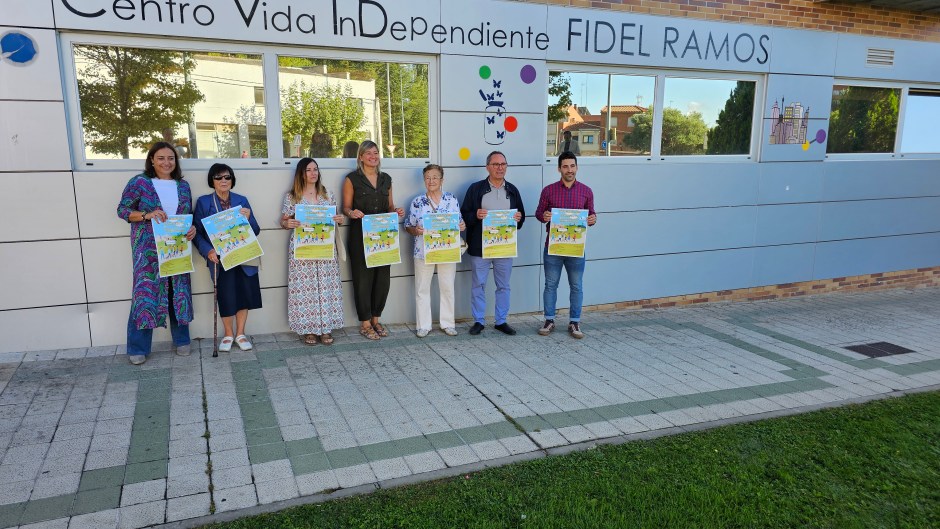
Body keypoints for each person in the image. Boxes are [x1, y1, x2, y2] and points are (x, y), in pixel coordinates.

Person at [116, 142, 196, 365]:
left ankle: (181, 340)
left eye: (171, 158)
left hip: (177, 248)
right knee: (145, 294)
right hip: (147, 250)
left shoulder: (183, 186)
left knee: (178, 292)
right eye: (161, 158)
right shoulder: (140, 182)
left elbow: (187, 215)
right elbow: (123, 210)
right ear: (152, 160)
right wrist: (146, 215)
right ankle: (138, 347)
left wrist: (193, 229)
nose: (166, 162)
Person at [194, 163, 262, 352]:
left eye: (227, 177)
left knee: (244, 293)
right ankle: (228, 333)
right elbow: (197, 233)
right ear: (212, 181)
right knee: (225, 295)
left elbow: (255, 230)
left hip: (244, 255)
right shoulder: (204, 202)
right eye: (218, 177)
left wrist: (248, 218)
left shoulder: (241, 199)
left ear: (232, 180)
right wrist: (208, 251)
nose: (223, 181)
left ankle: (240, 333)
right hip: (219, 258)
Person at [342, 141, 405, 340]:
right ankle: (365, 322)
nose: (373, 156)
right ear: (360, 157)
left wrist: (396, 212)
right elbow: (345, 207)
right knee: (363, 279)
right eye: (368, 153)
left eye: (376, 152)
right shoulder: (352, 179)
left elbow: (390, 206)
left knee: (382, 279)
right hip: (360, 235)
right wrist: (352, 212)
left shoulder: (386, 179)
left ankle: (376, 319)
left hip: (384, 235)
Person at [280, 158, 346, 345]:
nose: (313, 173)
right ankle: (309, 329)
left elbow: (335, 217)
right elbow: (283, 220)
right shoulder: (292, 196)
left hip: (325, 247)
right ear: (301, 173)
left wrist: (339, 219)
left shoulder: (327, 194)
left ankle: (325, 328)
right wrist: (288, 223)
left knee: (326, 286)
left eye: (315, 169)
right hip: (303, 248)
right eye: (308, 170)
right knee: (305, 289)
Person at [460, 151, 526, 336]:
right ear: (487, 167)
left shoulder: (512, 190)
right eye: (496, 164)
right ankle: (479, 321)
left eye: (503, 164)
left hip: (504, 247)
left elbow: (521, 217)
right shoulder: (476, 189)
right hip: (480, 247)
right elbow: (464, 214)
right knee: (478, 285)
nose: (500, 168)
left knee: (503, 285)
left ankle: (501, 321)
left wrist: (518, 218)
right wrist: (475, 215)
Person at [535, 151, 597, 339]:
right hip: (553, 246)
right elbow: (539, 213)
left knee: (576, 285)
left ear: (576, 167)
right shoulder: (549, 190)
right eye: (565, 166)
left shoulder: (586, 191)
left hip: (576, 248)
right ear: (559, 169)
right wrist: (544, 216)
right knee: (550, 285)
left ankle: (574, 322)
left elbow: (591, 215)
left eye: (572, 166)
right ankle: (549, 320)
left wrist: (593, 219)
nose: (569, 170)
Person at [404, 164, 466, 338]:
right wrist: (415, 230)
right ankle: (423, 325)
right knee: (422, 288)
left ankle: (448, 324)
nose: (431, 181)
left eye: (435, 177)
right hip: (423, 251)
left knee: (447, 287)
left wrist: (462, 225)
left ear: (442, 180)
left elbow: (460, 222)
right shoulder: (417, 202)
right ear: (424, 180)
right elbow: (408, 226)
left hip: (447, 250)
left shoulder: (451, 199)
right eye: (428, 177)